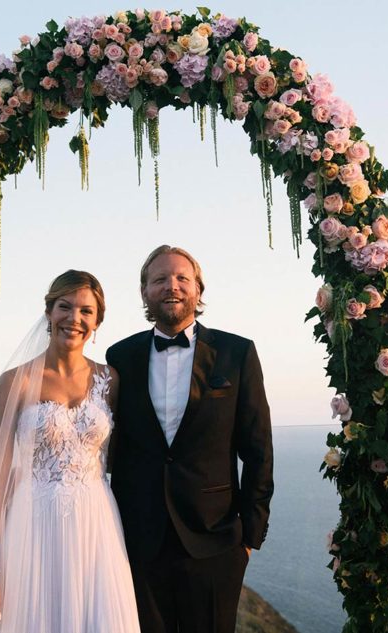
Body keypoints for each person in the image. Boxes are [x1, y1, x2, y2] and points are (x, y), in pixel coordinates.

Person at [0, 270, 140, 633]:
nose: (74, 318)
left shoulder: (110, 380)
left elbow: (118, 457)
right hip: (32, 525)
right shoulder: (16, 381)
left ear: (98, 320)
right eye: (64, 307)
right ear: (49, 312)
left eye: (86, 311)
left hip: (96, 528)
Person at [106, 245, 274, 633]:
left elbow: (259, 449)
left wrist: (249, 536)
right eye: (160, 279)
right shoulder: (120, 356)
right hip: (138, 541)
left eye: (182, 278)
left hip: (215, 542)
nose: (172, 286)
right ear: (145, 291)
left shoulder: (237, 353)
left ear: (198, 288)